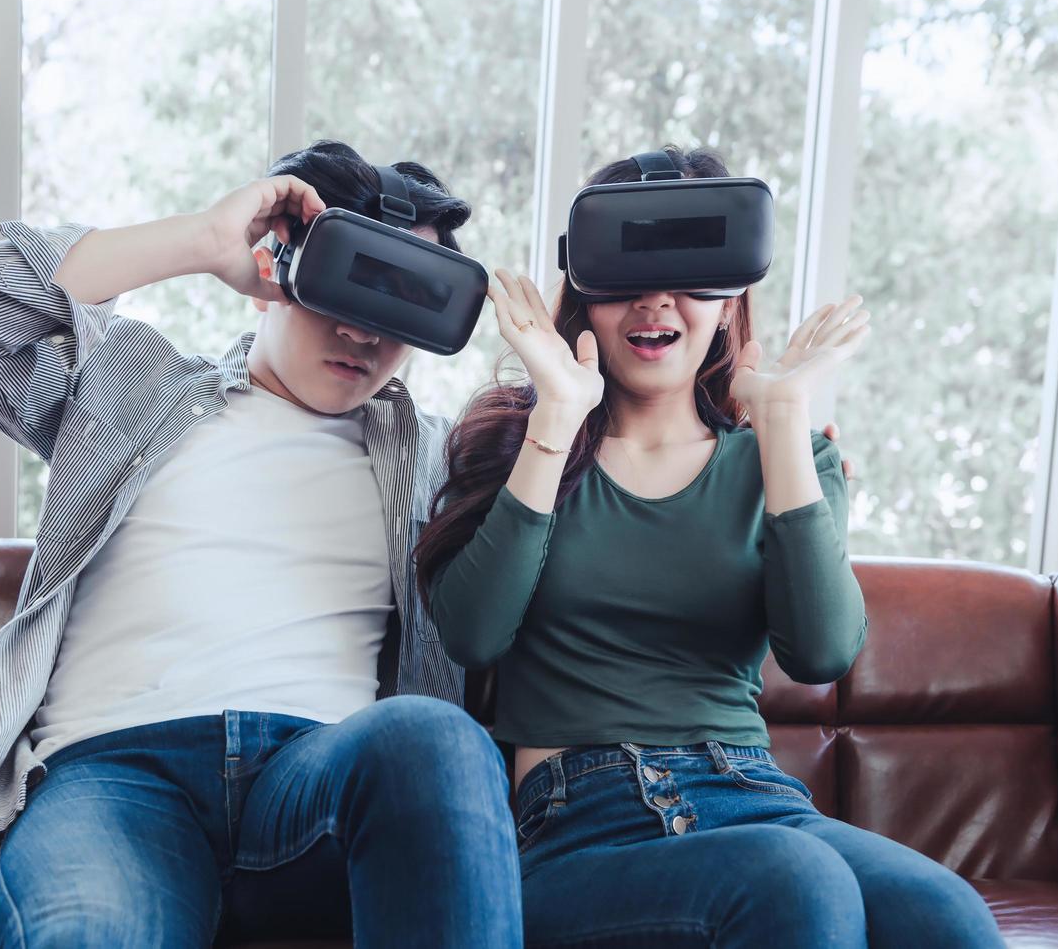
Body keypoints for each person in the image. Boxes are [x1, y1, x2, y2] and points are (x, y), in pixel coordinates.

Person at [0, 140, 522, 948]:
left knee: (433, 739)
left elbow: (617, 463)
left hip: (318, 779)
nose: (363, 333)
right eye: (345, 284)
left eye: (399, 307)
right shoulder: (133, 388)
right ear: (275, 271)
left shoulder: (440, 457)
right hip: (116, 779)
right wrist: (199, 241)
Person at [415, 146, 1004, 947]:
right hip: (577, 818)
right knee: (791, 883)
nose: (656, 302)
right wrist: (556, 417)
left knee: (946, 919)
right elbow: (472, 635)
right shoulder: (520, 449)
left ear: (730, 302)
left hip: (752, 793)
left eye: (693, 277)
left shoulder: (786, 458)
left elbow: (823, 651)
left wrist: (785, 419)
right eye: (627, 275)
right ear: (584, 294)